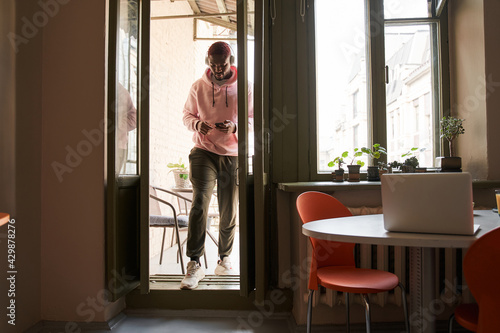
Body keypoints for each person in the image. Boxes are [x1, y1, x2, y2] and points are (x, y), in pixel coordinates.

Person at [180, 41, 253, 290]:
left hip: (232, 154)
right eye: (214, 65)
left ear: (231, 61)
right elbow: (187, 115)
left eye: (223, 65)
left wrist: (236, 127)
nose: (219, 69)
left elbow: (253, 118)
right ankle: (194, 263)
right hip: (204, 151)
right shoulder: (198, 86)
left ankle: (224, 258)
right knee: (200, 201)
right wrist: (196, 125)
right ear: (208, 62)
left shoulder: (244, 87)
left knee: (228, 209)